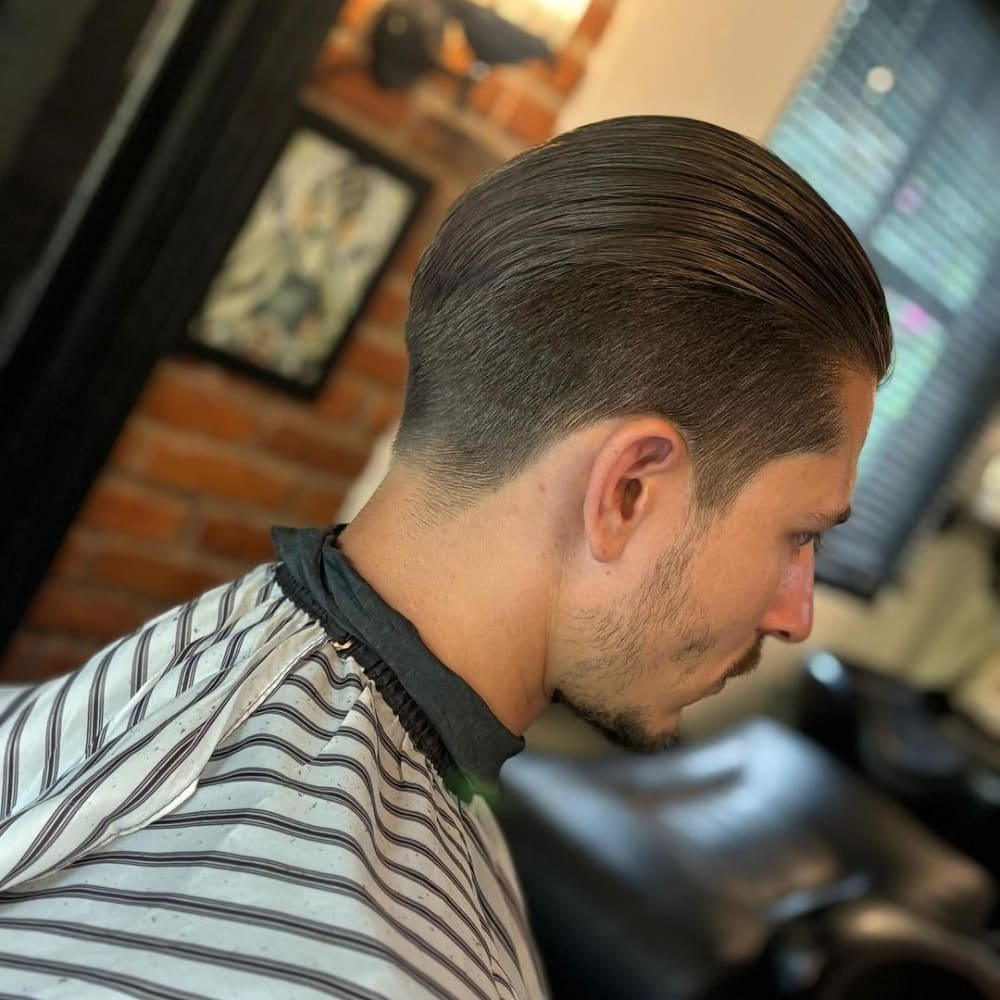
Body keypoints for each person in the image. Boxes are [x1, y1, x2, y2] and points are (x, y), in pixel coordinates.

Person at [0, 116, 891, 998]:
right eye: (800, 536)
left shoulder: (179, 674)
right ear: (628, 492)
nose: (796, 611)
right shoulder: (385, 972)